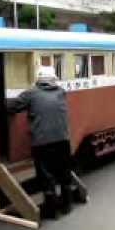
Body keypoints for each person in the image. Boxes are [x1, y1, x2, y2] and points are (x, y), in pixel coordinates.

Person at [7, 66, 74, 218]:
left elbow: (12, 107)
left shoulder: (31, 93)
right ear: (54, 79)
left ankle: (52, 211)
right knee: (64, 173)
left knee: (47, 176)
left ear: (38, 79)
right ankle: (67, 205)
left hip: (43, 143)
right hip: (63, 140)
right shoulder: (61, 92)